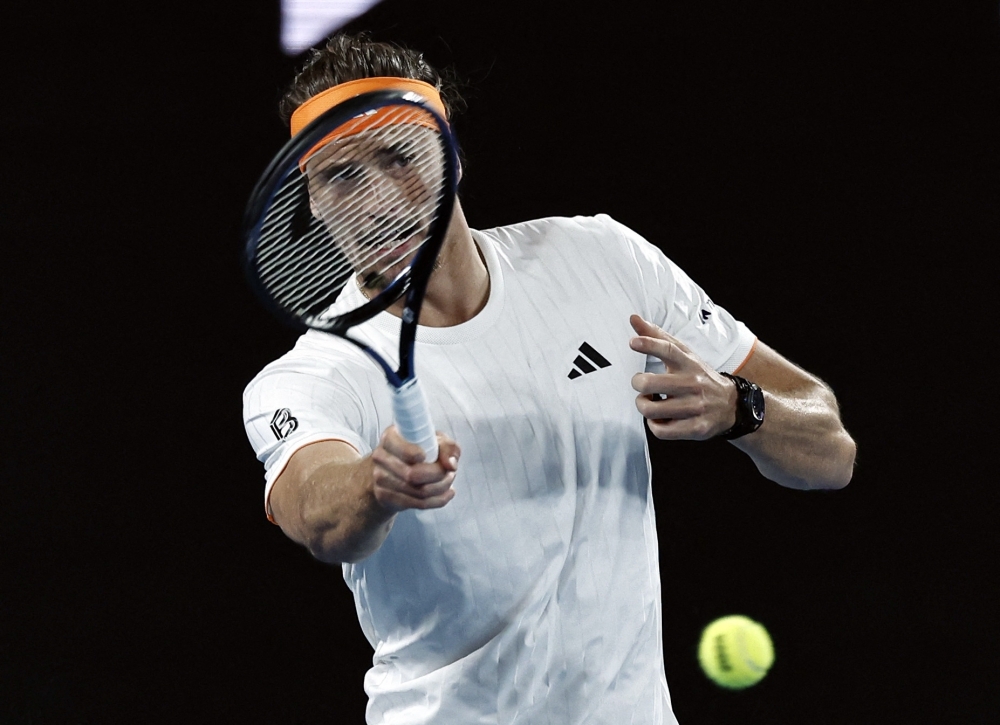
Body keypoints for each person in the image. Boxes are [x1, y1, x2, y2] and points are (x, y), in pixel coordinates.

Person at [242, 31, 856, 725]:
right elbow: (317, 512)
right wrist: (373, 486)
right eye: (341, 177)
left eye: (399, 156)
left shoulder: (603, 260)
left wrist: (741, 407)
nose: (378, 199)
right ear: (314, 201)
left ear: (452, 156)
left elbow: (831, 449)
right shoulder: (311, 375)